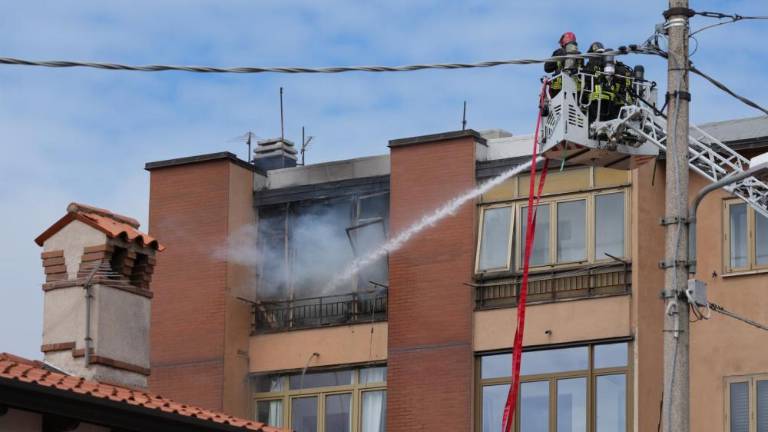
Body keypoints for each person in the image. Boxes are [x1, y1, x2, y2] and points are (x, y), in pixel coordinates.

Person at [544, 32, 583, 97]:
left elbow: (547, 68)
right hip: (576, 90)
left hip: (558, 88)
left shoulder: (558, 52)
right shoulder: (580, 56)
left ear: (563, 41)